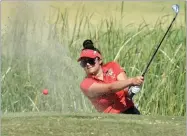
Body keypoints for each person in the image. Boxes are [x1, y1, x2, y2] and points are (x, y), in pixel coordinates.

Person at [77, 39, 144, 114]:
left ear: (99, 60)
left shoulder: (113, 66)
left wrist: (131, 89)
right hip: (110, 117)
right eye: (84, 62)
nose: (87, 64)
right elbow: (110, 88)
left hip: (130, 110)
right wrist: (131, 81)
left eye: (90, 61)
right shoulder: (85, 84)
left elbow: (125, 89)